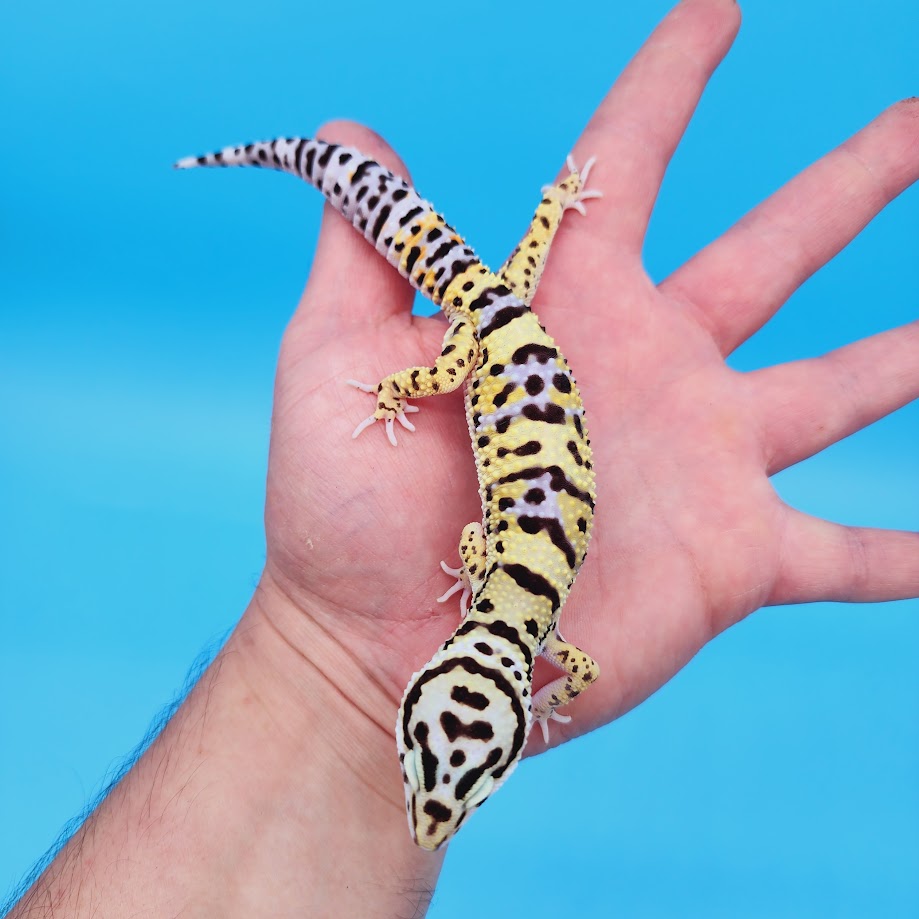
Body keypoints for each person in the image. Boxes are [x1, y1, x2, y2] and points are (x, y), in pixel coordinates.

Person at [8, 0, 917, 915]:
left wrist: (538, 690)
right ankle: (342, 204)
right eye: (451, 783)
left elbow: (576, 663)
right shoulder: (491, 599)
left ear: (443, 689)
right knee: (474, 312)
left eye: (435, 779)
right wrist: (403, 396)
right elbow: (512, 590)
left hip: (508, 341)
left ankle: (498, 212)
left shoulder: (542, 640)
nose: (432, 805)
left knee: (496, 291)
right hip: (491, 346)